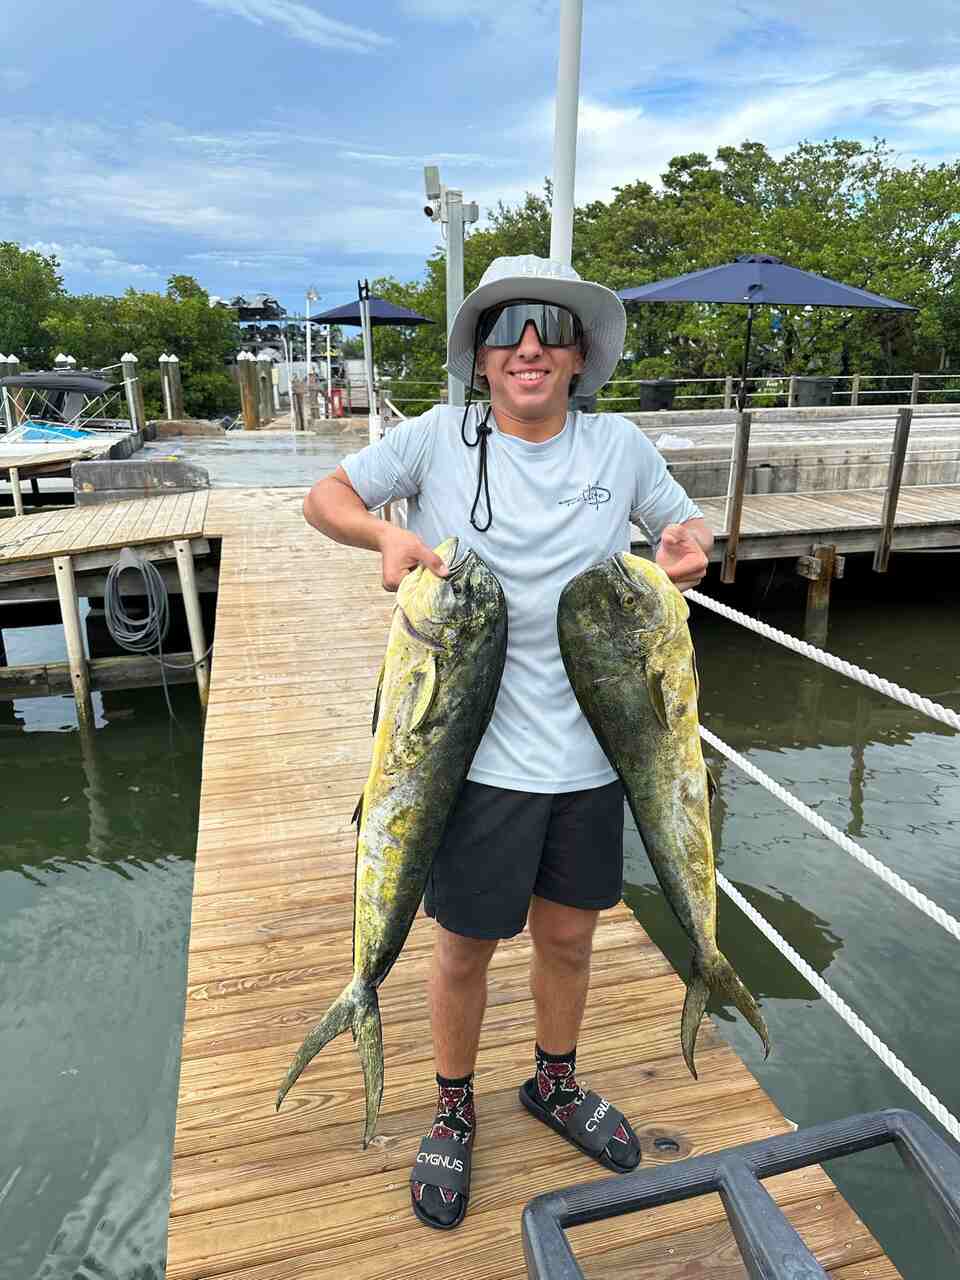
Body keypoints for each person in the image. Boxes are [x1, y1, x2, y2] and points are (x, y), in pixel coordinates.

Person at [302, 255, 713, 1230]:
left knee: (570, 938)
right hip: (466, 756)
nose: (528, 345)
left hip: (592, 755)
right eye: (506, 328)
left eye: (548, 327)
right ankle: (452, 1101)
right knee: (463, 949)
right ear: (482, 358)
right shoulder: (438, 439)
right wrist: (383, 538)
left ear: (577, 355)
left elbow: (683, 524)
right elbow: (324, 496)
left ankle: (554, 1082)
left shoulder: (618, 447)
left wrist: (691, 545)